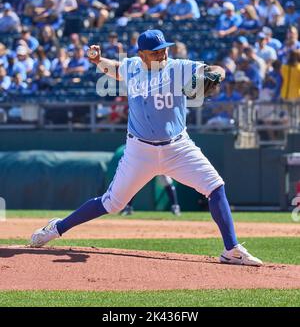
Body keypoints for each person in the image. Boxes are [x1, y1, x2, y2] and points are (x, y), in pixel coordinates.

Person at [30, 29, 263, 266]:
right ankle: (56, 228)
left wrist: (214, 76)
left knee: (215, 186)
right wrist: (98, 61)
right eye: (155, 52)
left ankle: (231, 249)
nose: (162, 55)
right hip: (140, 151)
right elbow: (116, 70)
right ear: (142, 54)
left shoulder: (178, 67)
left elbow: (218, 69)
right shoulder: (131, 66)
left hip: (178, 147)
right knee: (111, 204)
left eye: (164, 49)